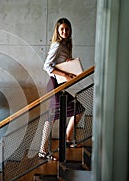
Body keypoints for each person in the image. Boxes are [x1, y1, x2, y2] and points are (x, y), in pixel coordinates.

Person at [39, 18, 85, 160]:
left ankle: (67, 139)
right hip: (54, 85)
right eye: (62, 29)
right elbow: (47, 66)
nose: (64, 32)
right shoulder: (57, 45)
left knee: (79, 110)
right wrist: (65, 74)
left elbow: (58, 63)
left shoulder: (66, 44)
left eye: (67, 29)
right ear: (57, 31)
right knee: (51, 117)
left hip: (60, 86)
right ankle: (43, 150)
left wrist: (67, 62)